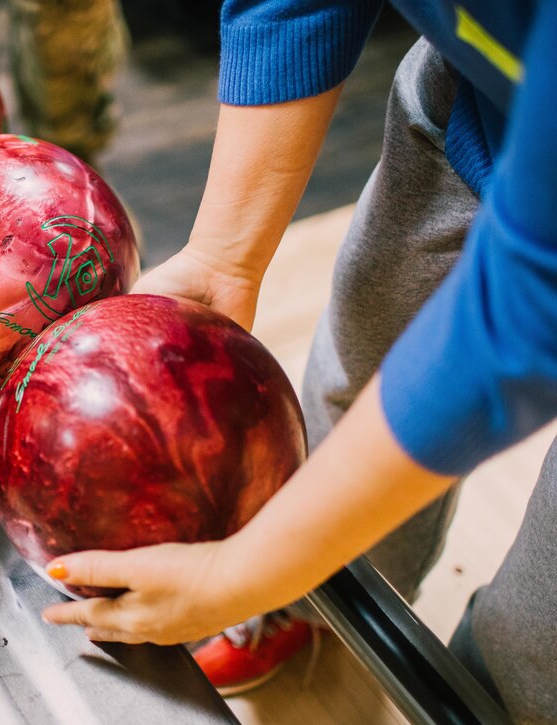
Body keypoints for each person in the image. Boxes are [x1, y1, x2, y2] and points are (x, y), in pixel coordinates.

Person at [39, 1, 557, 721]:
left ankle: (505, 698)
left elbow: (517, 323)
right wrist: (226, 258)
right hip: (478, 87)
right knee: (361, 361)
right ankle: (312, 599)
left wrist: (239, 572)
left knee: (542, 628)